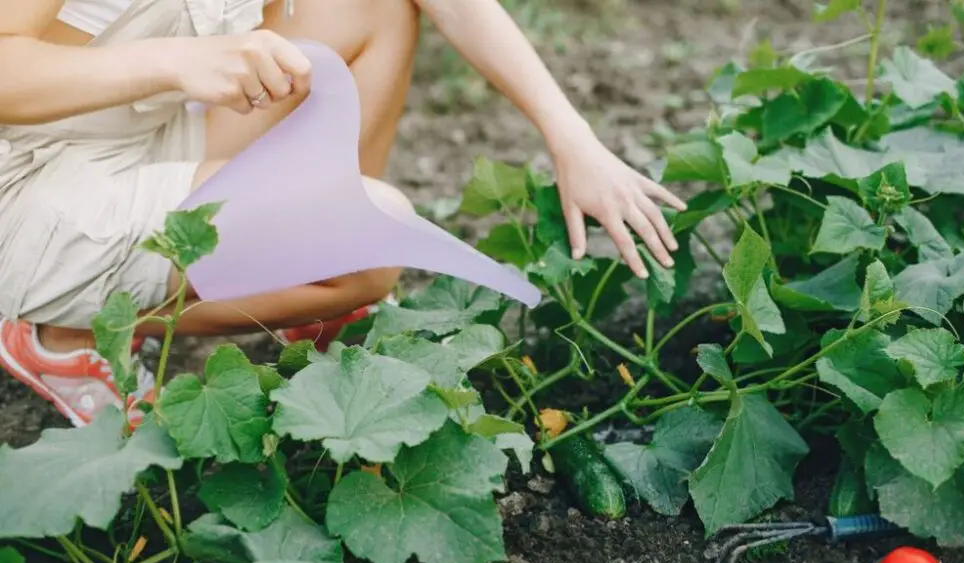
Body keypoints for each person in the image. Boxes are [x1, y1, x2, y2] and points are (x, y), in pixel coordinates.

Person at [0, 0, 686, 428]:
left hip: (131, 130)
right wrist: (177, 60)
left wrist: (573, 141)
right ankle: (60, 335)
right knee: (370, 239)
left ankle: (304, 288)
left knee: (376, 6)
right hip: (32, 187)